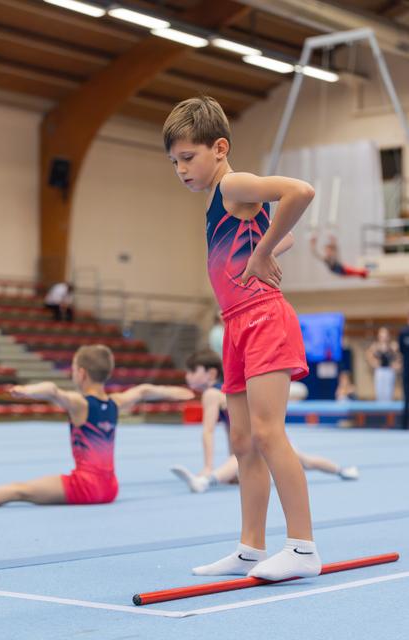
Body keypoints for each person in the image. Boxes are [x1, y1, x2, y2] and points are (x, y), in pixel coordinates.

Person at [163, 95, 320, 581]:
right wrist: (267, 244)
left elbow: (301, 191)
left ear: (219, 148)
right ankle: (251, 547)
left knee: (269, 433)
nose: (181, 170)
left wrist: (263, 250)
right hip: (235, 324)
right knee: (244, 441)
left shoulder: (233, 184)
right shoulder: (221, 200)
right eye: (174, 162)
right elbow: (275, 232)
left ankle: (302, 547)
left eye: (188, 158)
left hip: (263, 318)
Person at [0, 344, 194, 507]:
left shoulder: (80, 404)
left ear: (81, 373)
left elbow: (53, 390)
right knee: (21, 489)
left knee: (18, 490)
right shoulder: (115, 403)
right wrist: (178, 393)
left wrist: (28, 391)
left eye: (73, 369)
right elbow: (145, 390)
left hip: (84, 486)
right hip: (110, 489)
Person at [171, 350, 359, 493]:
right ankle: (342, 470)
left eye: (192, 370)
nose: (187, 376)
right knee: (304, 461)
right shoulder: (223, 391)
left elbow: (208, 432)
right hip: (263, 435)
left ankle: (206, 481)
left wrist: (207, 467)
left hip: (264, 435)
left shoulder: (212, 394)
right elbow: (233, 429)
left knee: (304, 461)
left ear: (211, 374)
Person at [365, 327, 400, 402]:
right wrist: (373, 362)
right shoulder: (375, 346)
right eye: (382, 336)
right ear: (379, 337)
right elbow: (368, 354)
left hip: (389, 371)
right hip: (380, 371)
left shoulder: (393, 346)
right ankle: (380, 410)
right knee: (379, 392)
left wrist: (397, 364)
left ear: (388, 337)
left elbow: (399, 357)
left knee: (388, 393)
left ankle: (389, 410)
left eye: (385, 336)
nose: (383, 338)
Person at [398, 315, 409, 429]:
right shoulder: (403, 332)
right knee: (406, 398)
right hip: (407, 369)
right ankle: (404, 424)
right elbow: (401, 349)